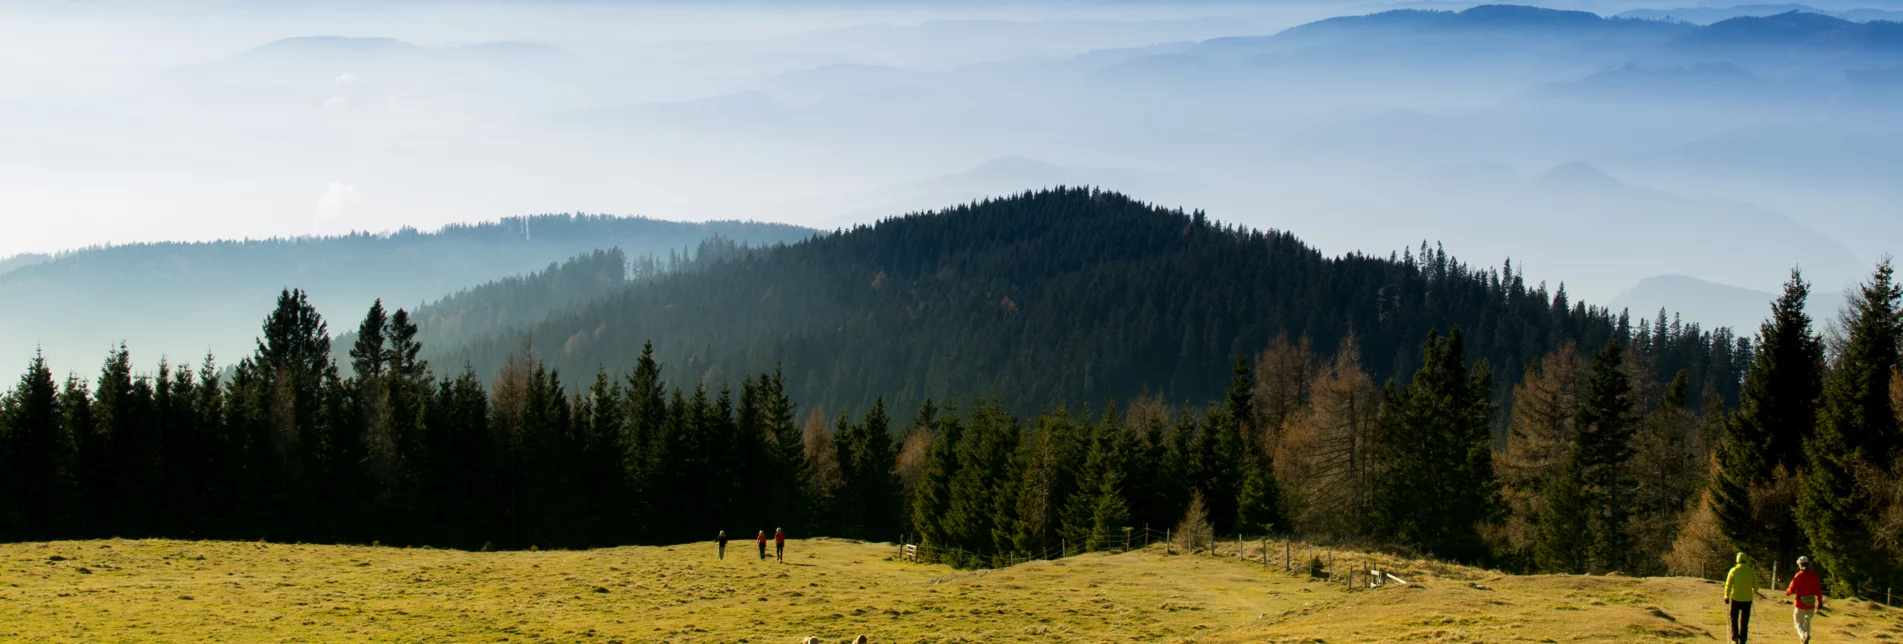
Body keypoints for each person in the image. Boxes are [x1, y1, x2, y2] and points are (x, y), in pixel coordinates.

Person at [1786, 556, 1825, 644]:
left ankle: (1803, 635)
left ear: (1800, 564)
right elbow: (1818, 590)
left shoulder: (1799, 575)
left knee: (1797, 622)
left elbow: (1791, 589)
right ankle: (1805, 638)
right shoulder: (1814, 575)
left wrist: (1787, 592)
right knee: (1807, 622)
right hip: (1811, 604)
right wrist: (1820, 602)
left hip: (1800, 603)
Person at [1726, 552, 1759, 644]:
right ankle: (1743, 640)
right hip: (1747, 600)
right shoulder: (1751, 571)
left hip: (1735, 598)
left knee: (1733, 618)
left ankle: (1735, 638)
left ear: (1737, 560)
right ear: (1745, 560)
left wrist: (1726, 596)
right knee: (1744, 621)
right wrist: (1751, 592)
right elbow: (1756, 587)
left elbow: (1728, 585)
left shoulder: (1734, 570)